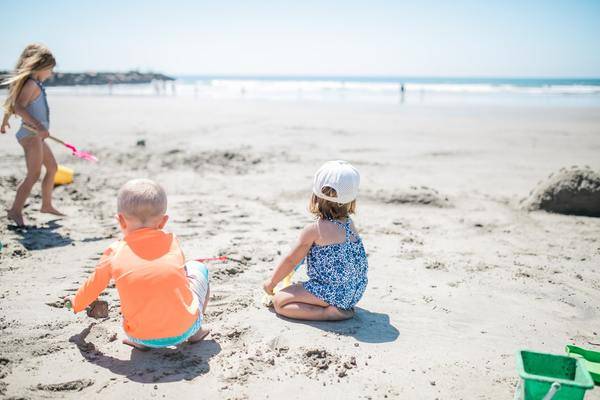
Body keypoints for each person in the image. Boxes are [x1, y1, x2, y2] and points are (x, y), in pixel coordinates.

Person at [67, 179, 210, 350]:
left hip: (139, 335)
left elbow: (93, 285)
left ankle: (140, 343)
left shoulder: (114, 252)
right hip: (185, 330)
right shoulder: (172, 242)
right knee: (197, 268)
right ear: (163, 221)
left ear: (120, 220)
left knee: (136, 291)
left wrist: (75, 302)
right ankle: (197, 332)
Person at [263, 160, 368, 321]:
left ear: (315, 196)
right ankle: (334, 306)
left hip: (332, 291)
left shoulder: (315, 230)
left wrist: (271, 283)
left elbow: (291, 260)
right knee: (298, 289)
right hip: (355, 291)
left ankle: (328, 313)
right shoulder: (349, 224)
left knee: (280, 302)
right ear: (351, 200)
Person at [1, 44, 63, 226]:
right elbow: (19, 106)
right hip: (30, 134)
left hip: (37, 135)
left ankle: (46, 205)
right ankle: (15, 210)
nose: (51, 73)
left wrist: (4, 121)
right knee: (33, 174)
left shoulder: (35, 84)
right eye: (50, 69)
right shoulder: (31, 84)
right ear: (41, 67)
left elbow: (14, 103)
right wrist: (38, 126)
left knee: (52, 168)